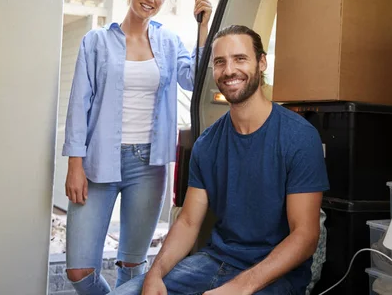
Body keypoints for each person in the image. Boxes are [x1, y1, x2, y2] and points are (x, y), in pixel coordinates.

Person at [111, 25, 330, 295]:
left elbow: (305, 236)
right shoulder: (207, 144)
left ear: (261, 63)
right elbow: (189, 221)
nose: (229, 71)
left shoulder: (299, 137)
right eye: (219, 62)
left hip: (274, 274)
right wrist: (155, 274)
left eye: (240, 59)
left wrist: (239, 288)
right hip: (213, 262)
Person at [62, 0, 212, 295]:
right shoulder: (96, 42)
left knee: (132, 266)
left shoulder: (169, 43)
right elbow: (78, 106)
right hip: (97, 162)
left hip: (149, 165)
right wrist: (75, 164)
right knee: (79, 270)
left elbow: (194, 79)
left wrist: (203, 28)